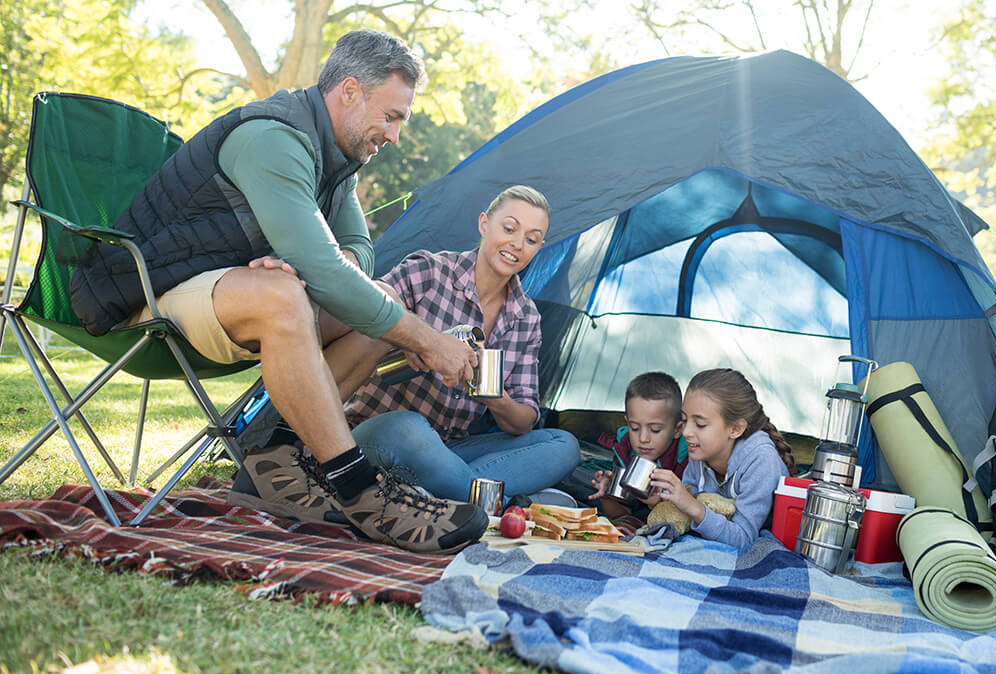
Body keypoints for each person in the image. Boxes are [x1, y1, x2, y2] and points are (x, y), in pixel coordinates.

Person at [68, 29, 487, 554]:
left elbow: (356, 252)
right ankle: (358, 490)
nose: (396, 136)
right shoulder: (274, 137)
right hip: (146, 294)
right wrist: (427, 340)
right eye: (393, 116)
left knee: (378, 299)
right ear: (350, 91)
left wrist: (313, 262)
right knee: (287, 296)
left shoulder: (336, 158)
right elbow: (330, 274)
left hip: (222, 289)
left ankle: (279, 458)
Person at [330, 185, 580, 502]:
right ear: (483, 224)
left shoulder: (526, 317)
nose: (516, 244)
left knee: (563, 445)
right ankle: (488, 501)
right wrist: (415, 340)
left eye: (530, 239)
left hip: (451, 450)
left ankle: (436, 495)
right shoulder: (431, 272)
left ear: (539, 247)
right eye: (509, 228)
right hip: (382, 432)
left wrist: (492, 394)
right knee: (410, 427)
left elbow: (525, 420)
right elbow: (370, 300)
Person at [649, 368, 792, 551]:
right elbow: (683, 516)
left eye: (700, 424)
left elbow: (743, 538)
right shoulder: (700, 451)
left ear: (735, 429)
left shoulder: (761, 460)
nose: (686, 432)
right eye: (685, 420)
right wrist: (663, 501)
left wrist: (693, 506)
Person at [587, 372, 687, 520]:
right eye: (634, 428)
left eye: (655, 430)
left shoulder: (685, 459)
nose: (643, 438)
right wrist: (606, 495)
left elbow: (689, 517)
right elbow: (620, 515)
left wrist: (658, 503)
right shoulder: (625, 450)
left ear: (677, 430)